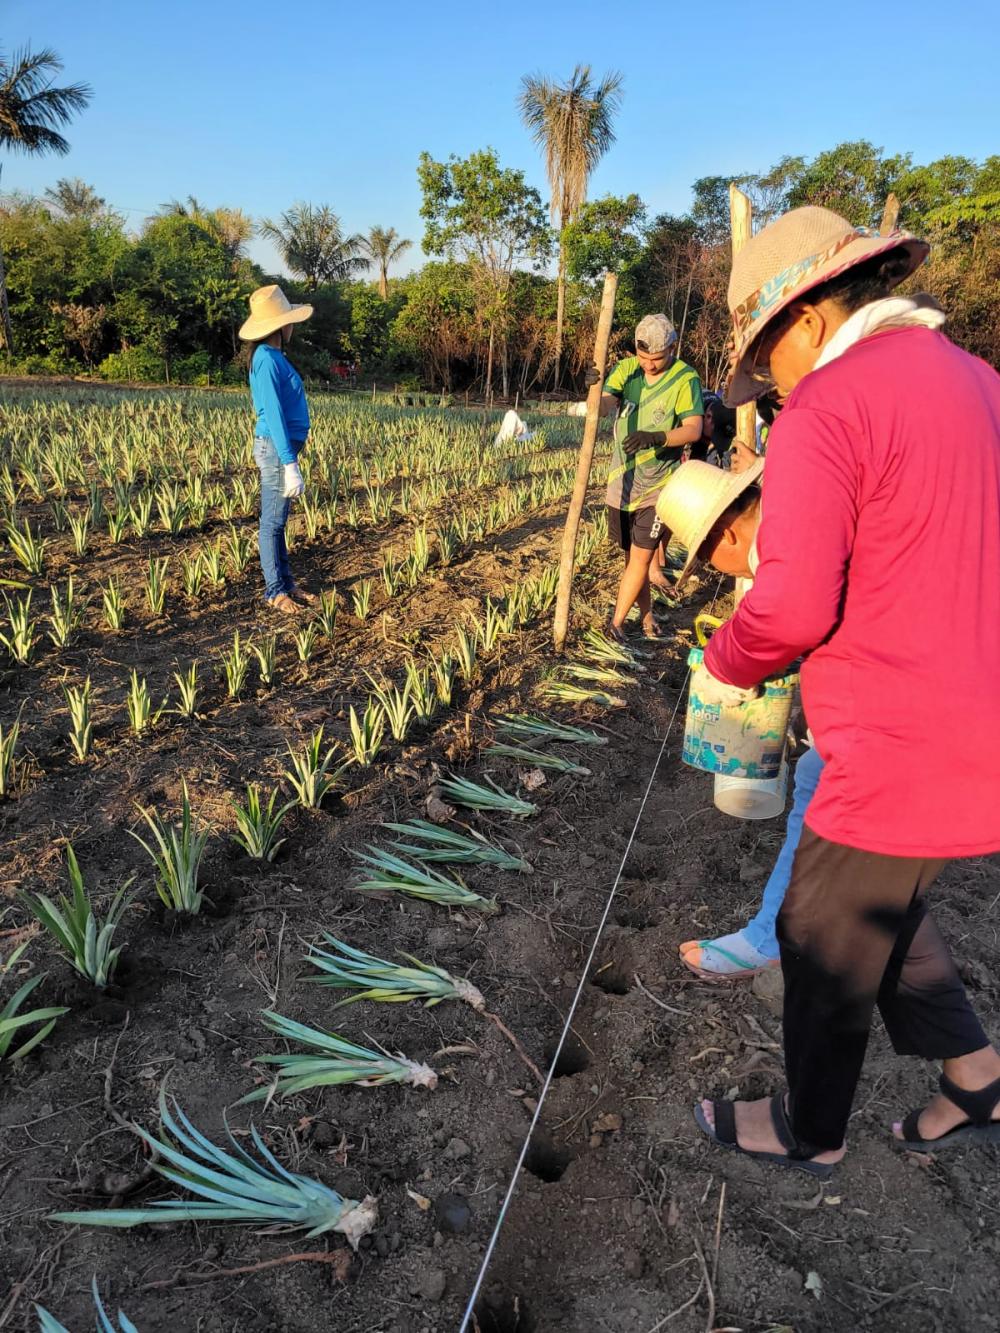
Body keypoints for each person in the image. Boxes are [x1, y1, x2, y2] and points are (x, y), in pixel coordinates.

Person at [686, 205, 1000, 1175]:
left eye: (765, 357)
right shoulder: (982, 382)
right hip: (979, 725)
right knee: (887, 917)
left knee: (817, 927)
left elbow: (785, 609)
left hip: (898, 740)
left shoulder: (832, 401)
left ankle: (806, 1130)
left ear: (809, 319)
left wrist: (720, 662)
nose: (770, 385)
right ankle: (978, 1079)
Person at [655, 458, 824, 978]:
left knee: (822, 793)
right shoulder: (806, 517)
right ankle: (965, 1052)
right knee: (876, 854)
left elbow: (786, 613)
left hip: (904, 701)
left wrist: (722, 663)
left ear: (723, 536)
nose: (715, 572)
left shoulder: (786, 543)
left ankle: (772, 939)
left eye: (706, 562)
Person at [576, 314, 703, 640]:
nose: (649, 365)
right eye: (644, 357)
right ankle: (647, 620)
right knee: (635, 560)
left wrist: (655, 437)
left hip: (660, 486)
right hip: (622, 483)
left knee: (642, 556)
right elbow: (602, 408)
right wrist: (593, 388)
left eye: (657, 359)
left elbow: (694, 428)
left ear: (673, 348)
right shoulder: (626, 370)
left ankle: (616, 623)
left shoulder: (684, 378)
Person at [239, 285, 316, 616]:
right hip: (274, 451)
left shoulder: (272, 356)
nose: (292, 325)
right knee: (272, 522)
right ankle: (274, 591)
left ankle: (286, 582)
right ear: (280, 326)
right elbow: (272, 413)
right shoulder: (267, 359)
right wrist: (288, 463)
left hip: (279, 450)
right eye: (289, 320)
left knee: (279, 521)